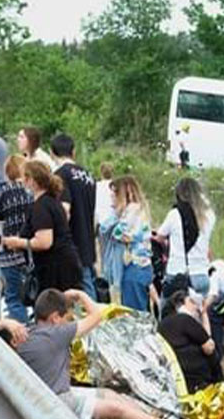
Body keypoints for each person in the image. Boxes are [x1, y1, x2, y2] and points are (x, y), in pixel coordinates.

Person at [14, 289, 205, 419]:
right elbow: (97, 316)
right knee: (115, 409)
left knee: (109, 394)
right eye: (66, 318)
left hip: (53, 393)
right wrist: (80, 295)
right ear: (55, 318)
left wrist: (7, 324)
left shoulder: (28, 333)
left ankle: (152, 418)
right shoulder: (57, 334)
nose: (68, 322)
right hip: (60, 401)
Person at [1, 161, 83, 293]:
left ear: (31, 181)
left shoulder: (41, 206)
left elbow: (44, 242)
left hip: (56, 269)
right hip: (65, 263)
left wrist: (17, 242)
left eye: (24, 178)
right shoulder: (52, 201)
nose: (22, 181)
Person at [51, 133, 98, 296]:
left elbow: (64, 210)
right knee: (88, 282)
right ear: (74, 151)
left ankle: (92, 320)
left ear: (52, 153)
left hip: (71, 242)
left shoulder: (60, 175)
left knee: (79, 290)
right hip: (88, 238)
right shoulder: (88, 175)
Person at [0, 154, 34, 322]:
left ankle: (19, 335)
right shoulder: (31, 190)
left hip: (8, 254)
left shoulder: (4, 192)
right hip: (31, 250)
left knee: (14, 298)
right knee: (33, 293)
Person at [98, 176, 152, 311]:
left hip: (134, 267)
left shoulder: (132, 210)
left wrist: (116, 214)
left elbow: (117, 233)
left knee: (133, 314)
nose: (112, 200)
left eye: (114, 195)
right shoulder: (139, 210)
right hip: (139, 267)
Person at [154, 177, 216, 295]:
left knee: (168, 311)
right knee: (198, 312)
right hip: (202, 272)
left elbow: (160, 236)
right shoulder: (209, 215)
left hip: (179, 271)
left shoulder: (175, 214)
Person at [158, 289, 222, 391]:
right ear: (182, 304)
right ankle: (220, 382)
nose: (196, 307)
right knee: (212, 352)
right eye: (192, 302)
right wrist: (204, 314)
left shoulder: (163, 323)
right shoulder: (185, 319)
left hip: (171, 369)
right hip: (192, 369)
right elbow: (208, 344)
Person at [95, 163, 125, 294]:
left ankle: (105, 275)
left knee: (103, 251)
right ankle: (114, 275)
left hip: (102, 221)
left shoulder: (97, 186)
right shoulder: (116, 187)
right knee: (115, 250)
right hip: (114, 220)